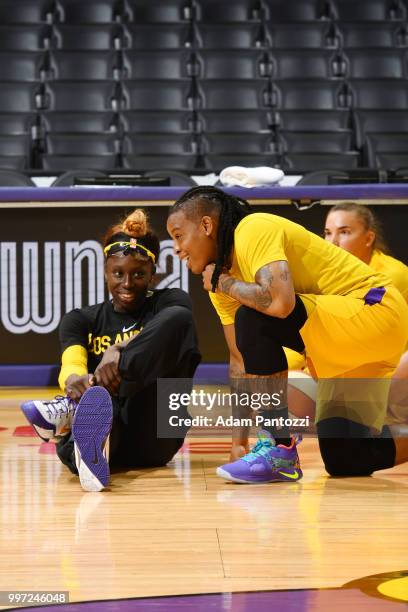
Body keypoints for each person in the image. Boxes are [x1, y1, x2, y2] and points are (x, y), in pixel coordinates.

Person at [167, 186, 408, 484]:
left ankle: (279, 449)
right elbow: (239, 361)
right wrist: (238, 444)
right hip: (346, 346)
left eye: (179, 236)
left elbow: (280, 303)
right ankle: (277, 450)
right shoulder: (222, 279)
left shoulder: (253, 229)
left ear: (206, 225)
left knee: (253, 316)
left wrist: (226, 284)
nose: (176, 248)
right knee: (346, 457)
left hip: (375, 313)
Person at [21, 209, 201, 492]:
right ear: (105, 272)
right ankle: (90, 444)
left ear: (153, 274)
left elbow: (179, 320)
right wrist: (74, 382)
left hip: (156, 433)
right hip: (111, 432)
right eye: (118, 273)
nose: (127, 284)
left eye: (138, 274)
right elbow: (72, 363)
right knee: (96, 403)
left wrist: (118, 349)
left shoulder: (170, 302)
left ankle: (70, 411)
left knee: (181, 320)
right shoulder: (80, 320)